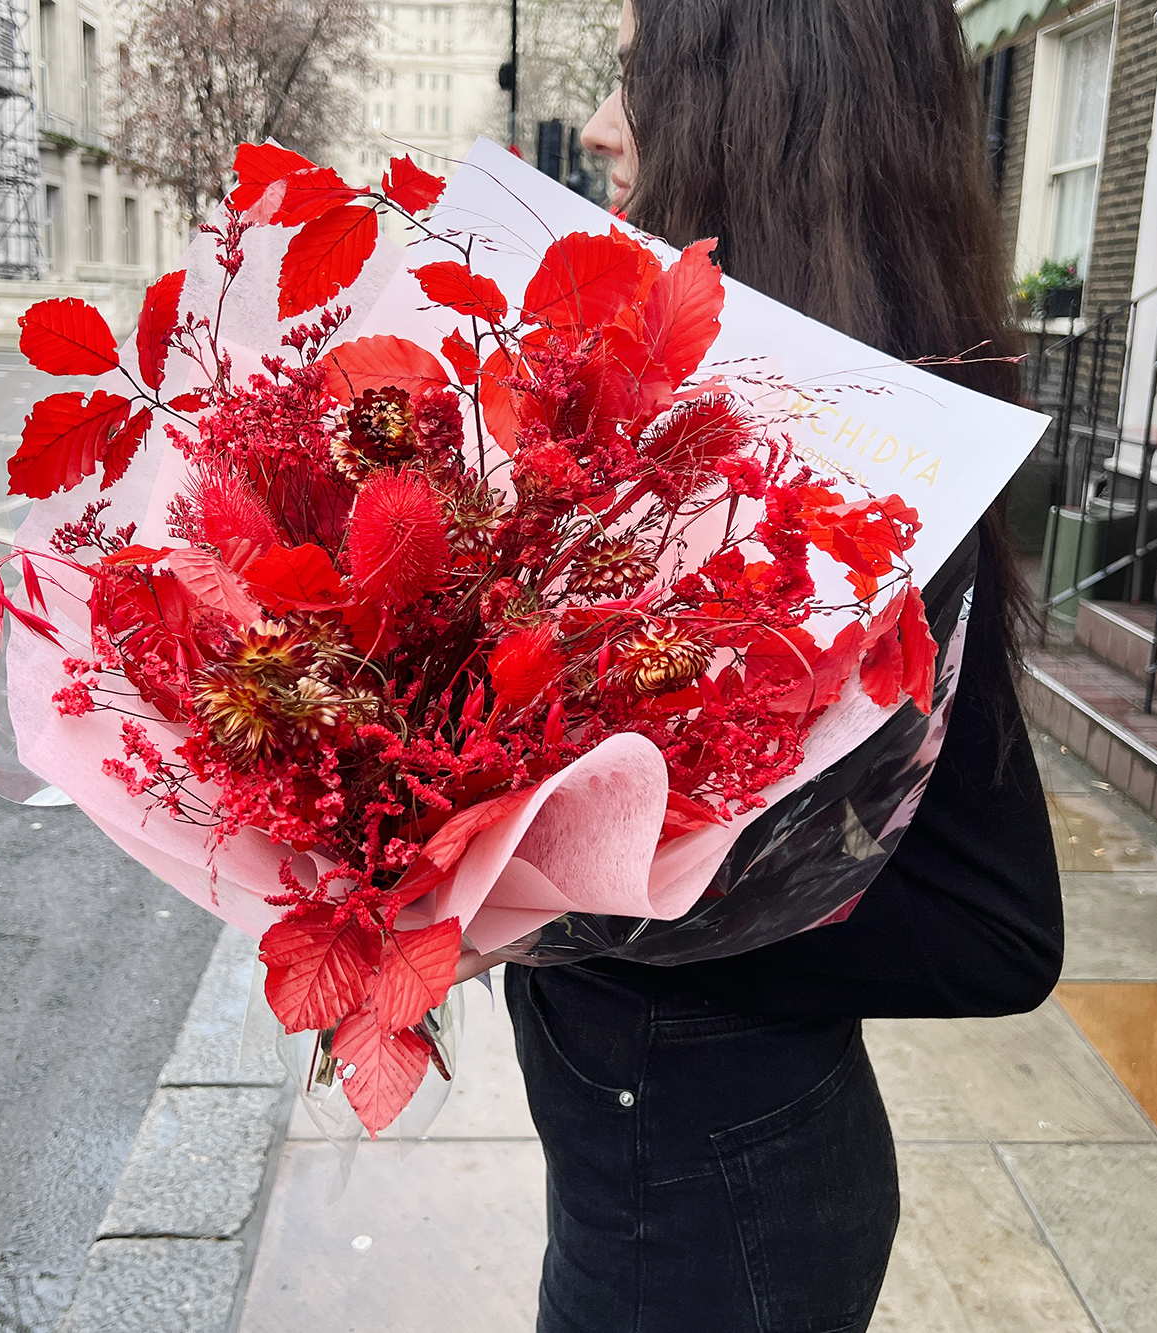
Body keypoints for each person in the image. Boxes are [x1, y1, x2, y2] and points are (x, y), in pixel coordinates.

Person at [467, 2, 1064, 1329]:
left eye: (638, 83)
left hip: (722, 1227)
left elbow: (995, 930)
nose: (604, 128)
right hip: (644, 1175)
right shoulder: (684, 433)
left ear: (763, 116)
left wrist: (593, 906)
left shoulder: (879, 483)